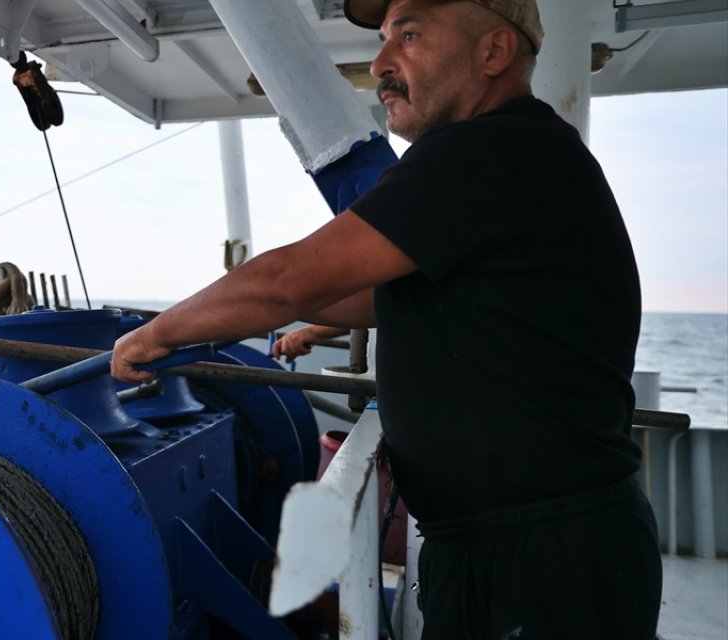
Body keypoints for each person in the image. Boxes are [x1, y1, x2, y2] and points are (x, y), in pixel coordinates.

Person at [111, 0, 662, 637]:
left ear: (493, 53)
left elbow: (290, 282)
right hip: (533, 544)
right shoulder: (523, 155)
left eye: (410, 34)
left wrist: (154, 334)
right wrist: (220, 319)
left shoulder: (487, 148)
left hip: (540, 558)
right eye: (383, 37)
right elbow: (366, 297)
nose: (380, 62)